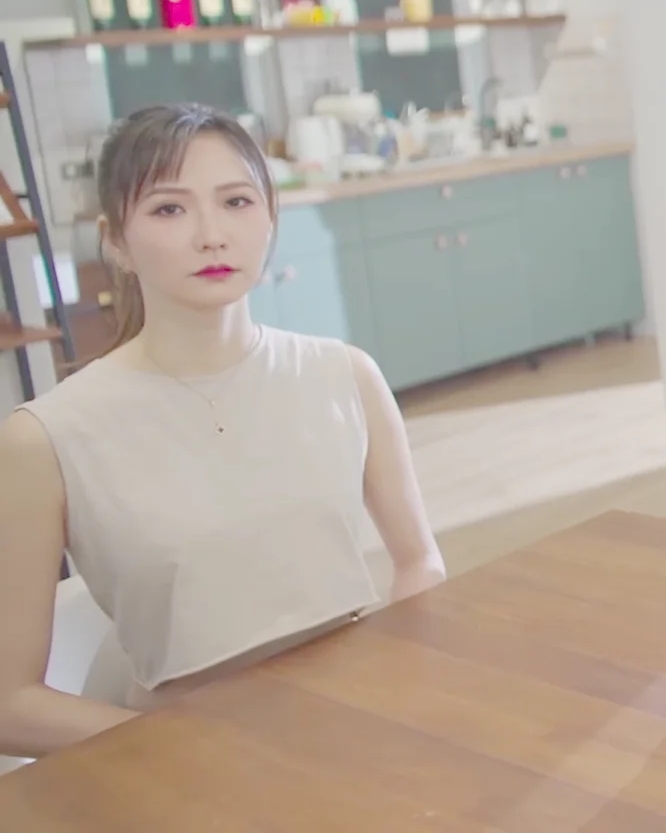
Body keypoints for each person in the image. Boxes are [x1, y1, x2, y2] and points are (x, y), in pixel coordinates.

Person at [0, 104, 445, 760]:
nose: (211, 235)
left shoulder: (346, 375)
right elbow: (9, 704)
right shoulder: (45, 439)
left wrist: (394, 683)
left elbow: (420, 562)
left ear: (270, 216)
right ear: (115, 240)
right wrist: (180, 748)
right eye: (169, 209)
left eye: (236, 201)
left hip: (348, 730)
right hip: (178, 765)